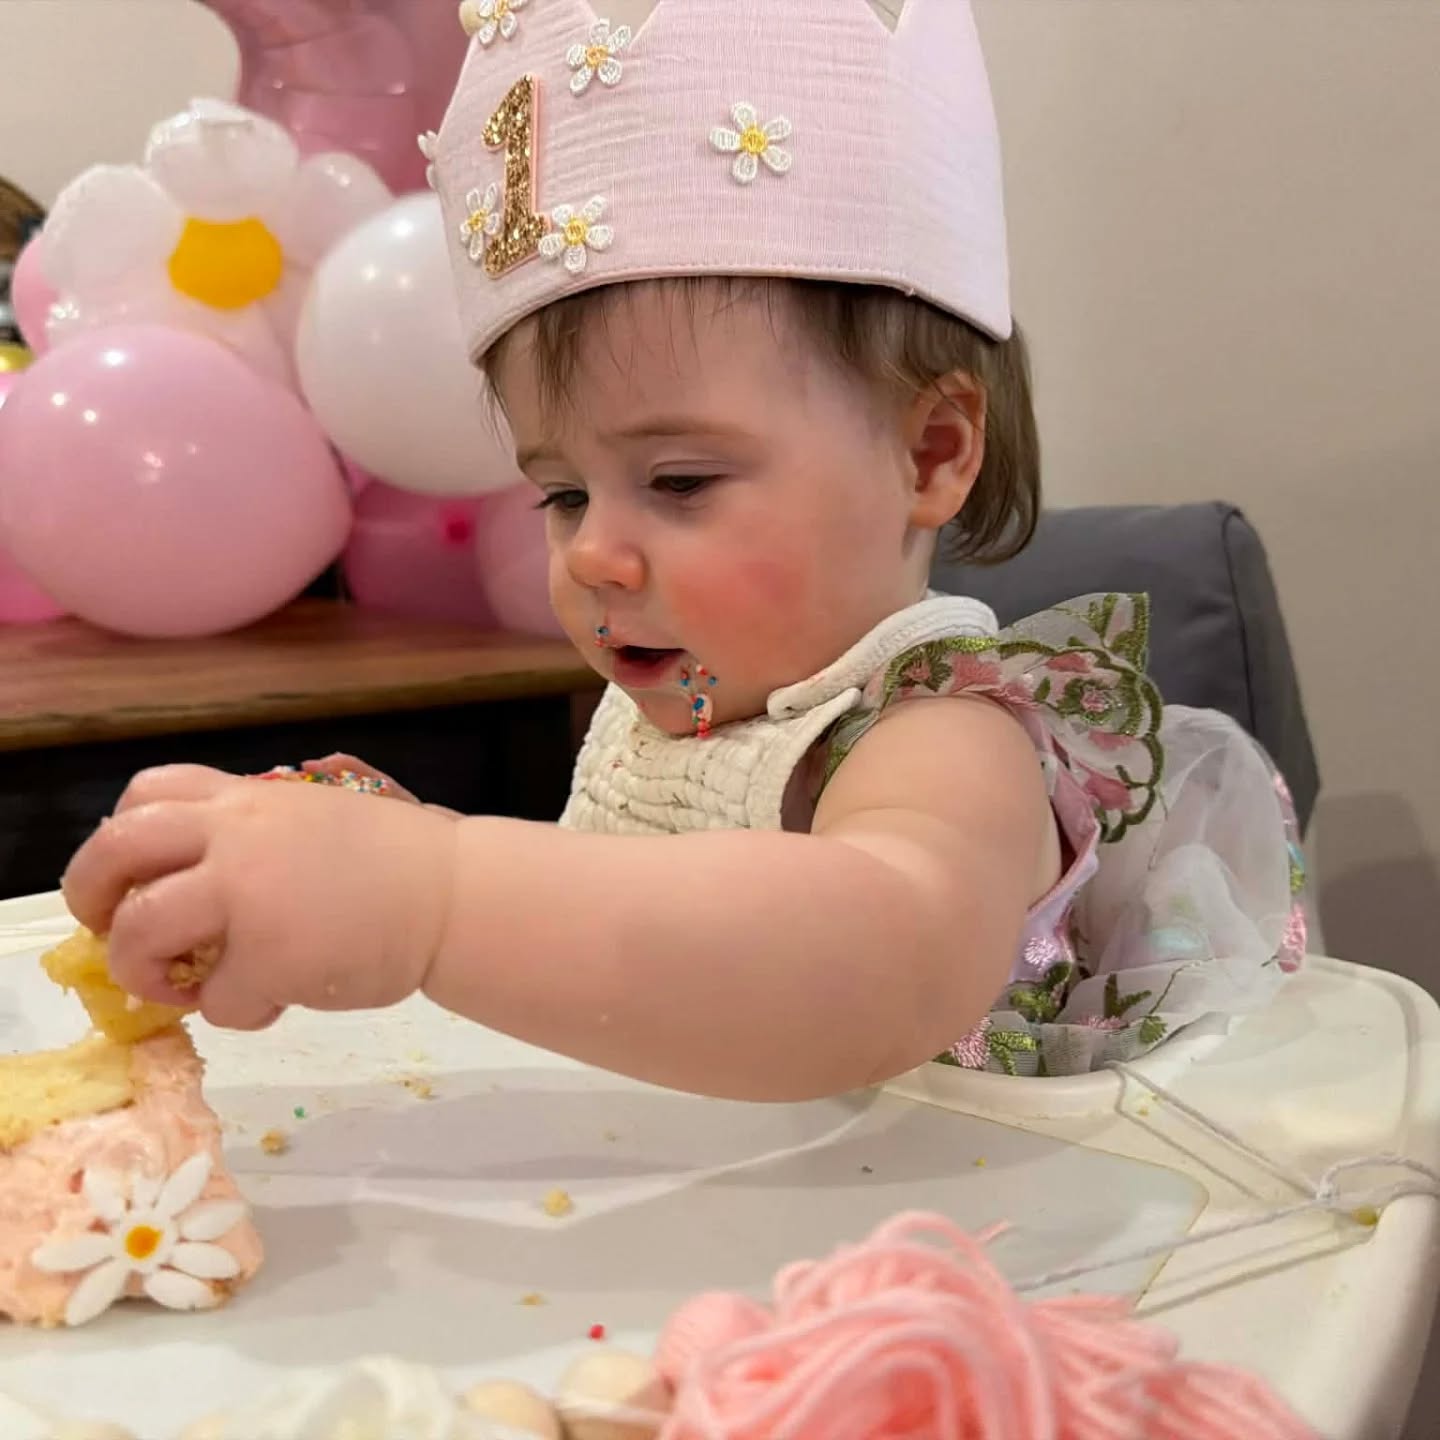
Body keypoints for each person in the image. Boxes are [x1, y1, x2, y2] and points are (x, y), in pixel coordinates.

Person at [61, 0, 1306, 1100]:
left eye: (679, 481)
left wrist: (434, 894)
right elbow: (624, 932)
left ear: (930, 455)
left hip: (965, 1270)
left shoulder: (942, 738)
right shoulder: (687, 717)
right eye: (559, 493)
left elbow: (876, 965)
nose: (595, 553)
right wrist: (372, 847)